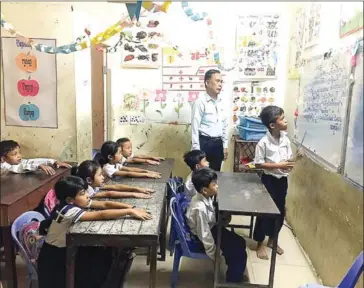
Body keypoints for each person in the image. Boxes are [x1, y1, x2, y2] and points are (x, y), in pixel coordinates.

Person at [37, 176, 152, 288]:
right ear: (69, 200)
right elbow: (101, 214)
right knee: (100, 261)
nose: (87, 195)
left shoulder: (74, 203)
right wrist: (129, 212)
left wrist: (132, 208)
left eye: (86, 191)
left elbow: (105, 204)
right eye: (82, 193)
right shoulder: (68, 211)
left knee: (103, 255)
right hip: (55, 257)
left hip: (67, 249)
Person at [253, 105, 303, 260]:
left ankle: (272, 240)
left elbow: (286, 161)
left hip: (282, 181)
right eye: (282, 118)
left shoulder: (285, 140)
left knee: (280, 211)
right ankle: (259, 243)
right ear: (272, 125)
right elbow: (258, 164)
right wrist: (278, 166)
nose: (286, 120)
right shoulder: (263, 143)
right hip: (268, 181)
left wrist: (295, 159)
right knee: (264, 211)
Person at [186, 167, 247, 283]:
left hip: (211, 228)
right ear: (204, 190)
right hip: (203, 237)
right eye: (214, 185)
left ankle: (234, 272)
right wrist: (214, 253)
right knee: (238, 248)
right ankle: (233, 281)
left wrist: (223, 219)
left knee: (239, 243)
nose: (217, 186)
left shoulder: (205, 196)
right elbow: (204, 234)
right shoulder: (200, 208)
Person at [191, 69, 228, 171]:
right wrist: (196, 151)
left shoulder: (222, 102)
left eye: (221, 81)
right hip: (204, 143)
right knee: (201, 176)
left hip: (218, 144)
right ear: (207, 83)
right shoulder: (200, 102)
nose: (220, 84)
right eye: (217, 81)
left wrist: (225, 145)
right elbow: (195, 127)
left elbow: (224, 125)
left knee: (215, 174)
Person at [71, 160, 155, 199]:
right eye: (100, 175)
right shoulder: (87, 191)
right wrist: (134, 194)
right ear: (89, 180)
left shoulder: (93, 184)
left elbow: (115, 187)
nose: (103, 177)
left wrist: (137, 189)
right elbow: (109, 194)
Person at [0, 140, 71, 175]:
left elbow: (31, 161)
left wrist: (53, 161)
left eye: (19, 152)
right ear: (3, 159)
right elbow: (18, 168)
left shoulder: (15, 161)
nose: (19, 156)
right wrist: (37, 166)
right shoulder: (3, 166)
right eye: (14, 154)